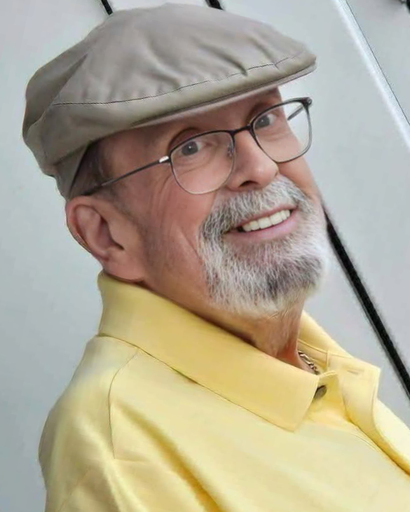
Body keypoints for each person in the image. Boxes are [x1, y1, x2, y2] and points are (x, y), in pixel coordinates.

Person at [22, 4, 410, 511]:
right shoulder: (125, 454)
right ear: (106, 234)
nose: (261, 167)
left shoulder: (305, 355)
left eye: (265, 119)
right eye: (190, 147)